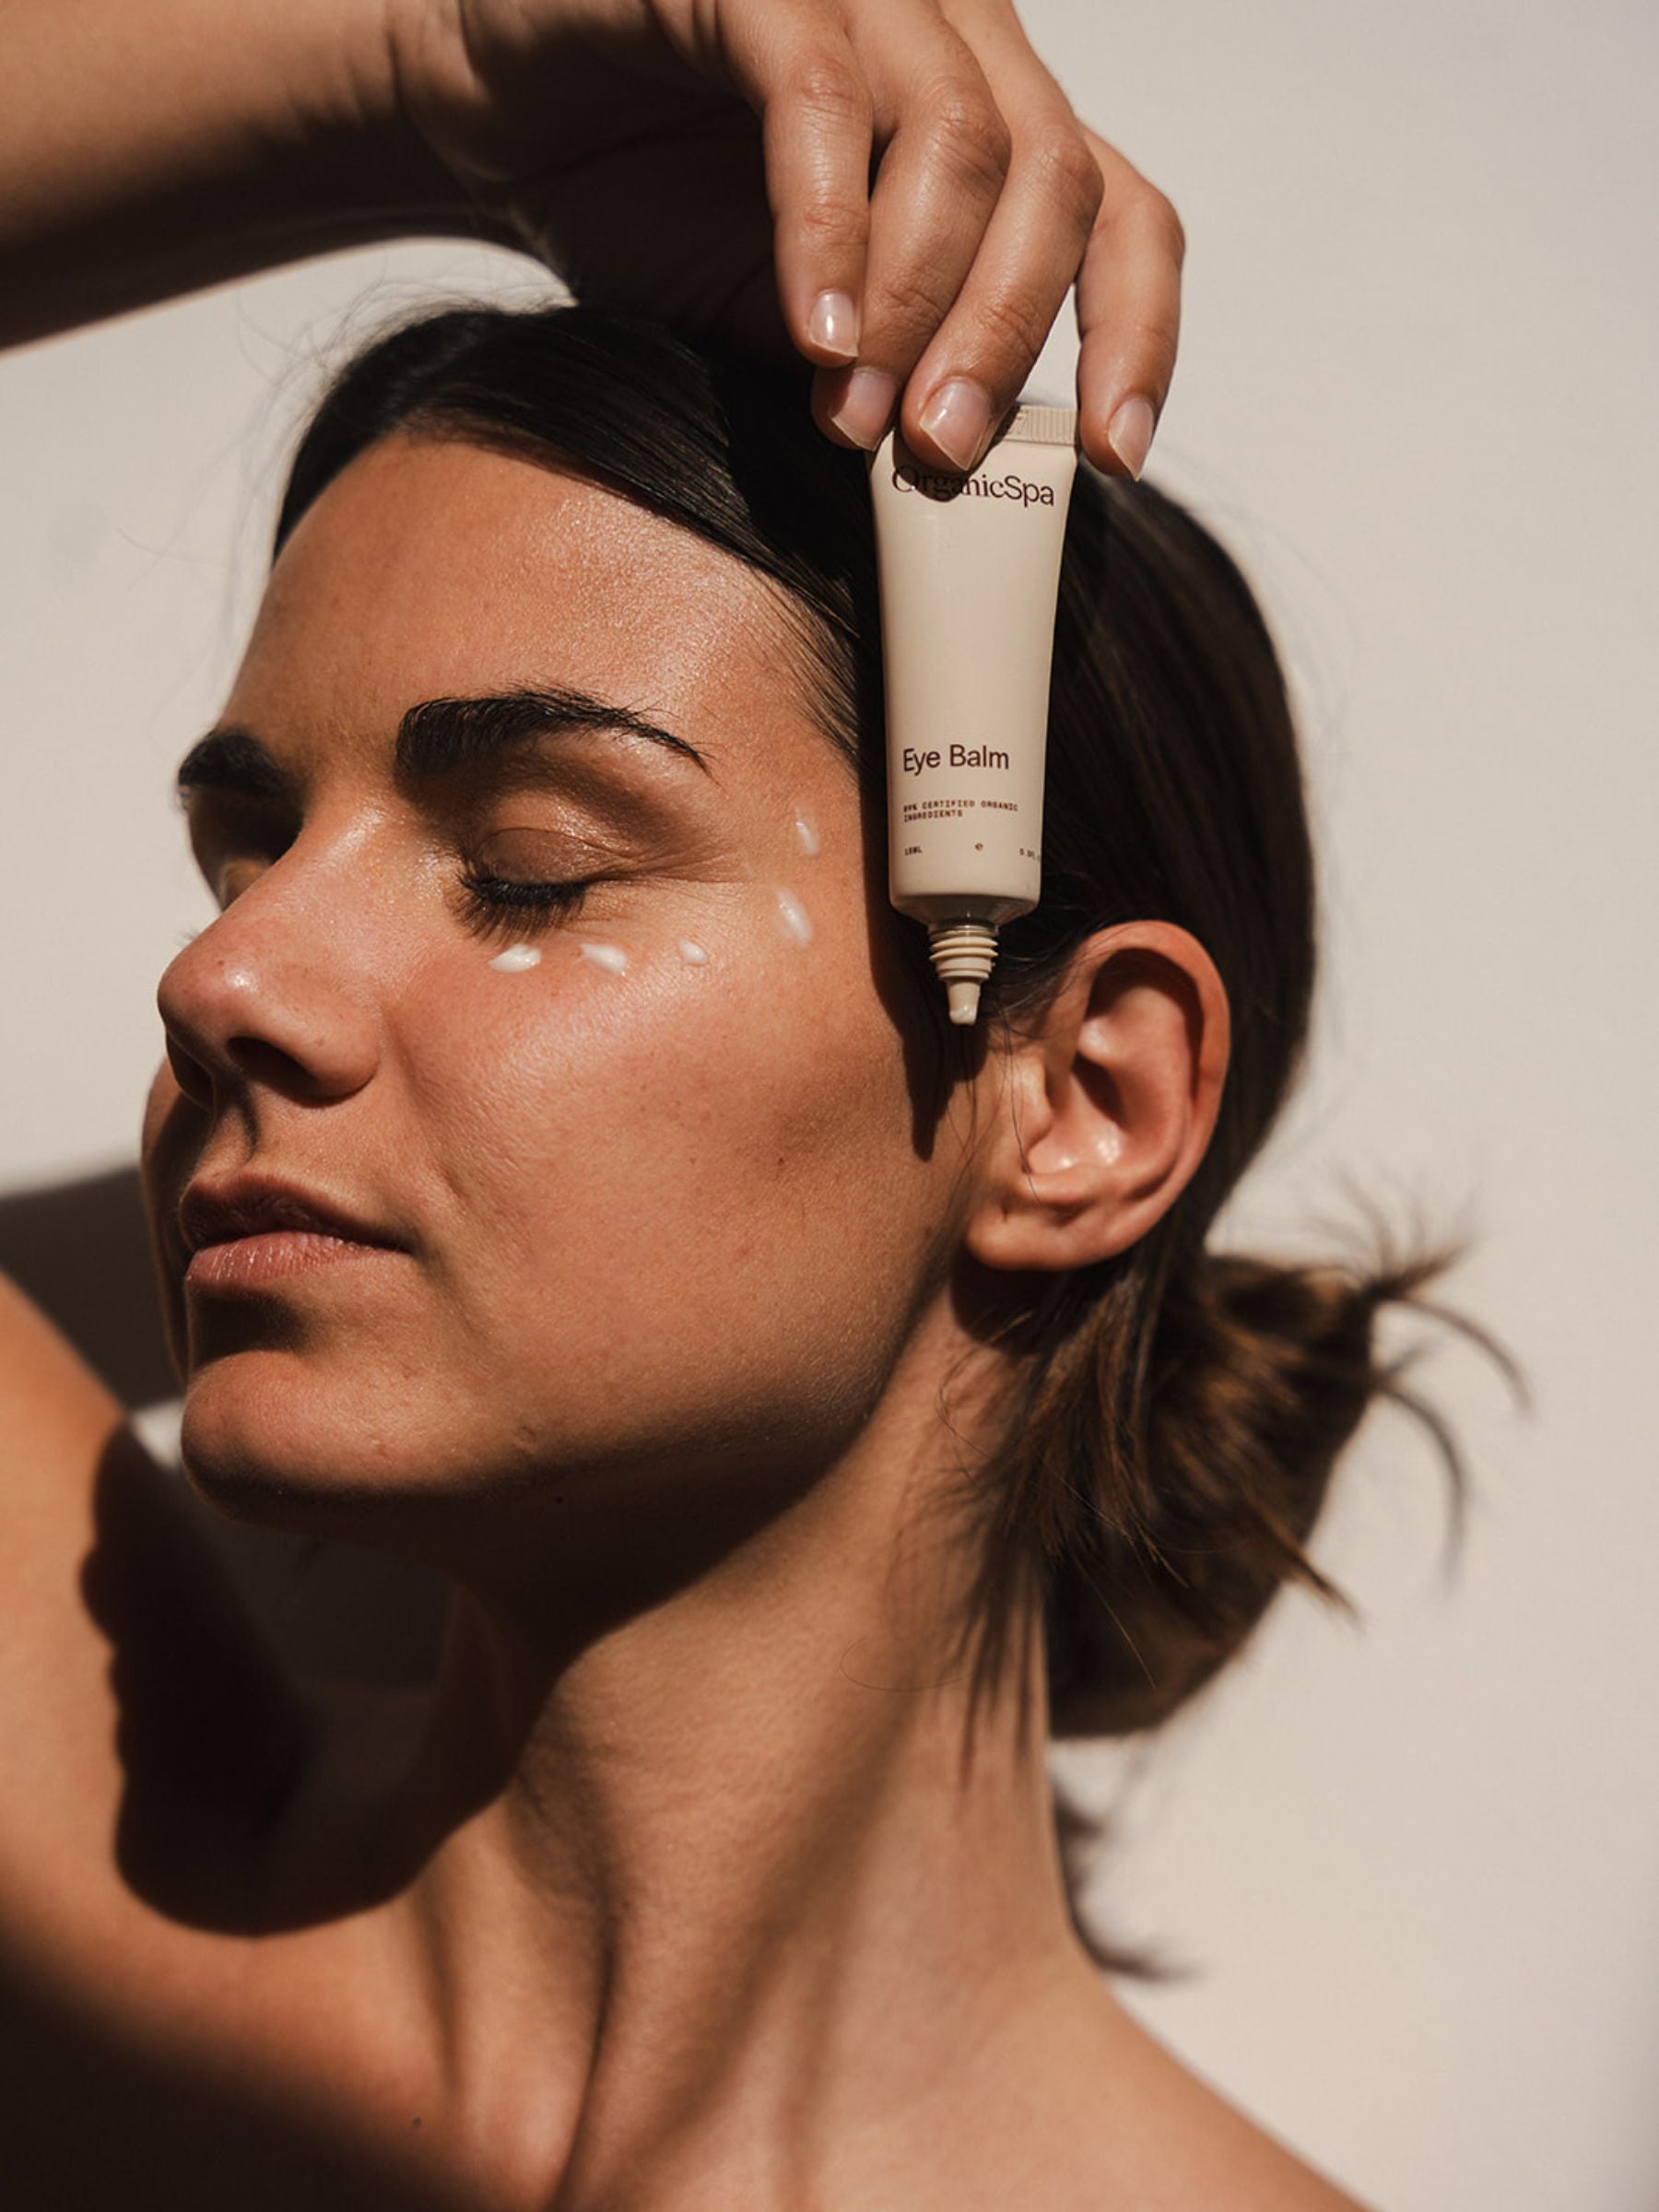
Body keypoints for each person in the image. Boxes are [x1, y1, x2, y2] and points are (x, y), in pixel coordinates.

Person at [0, 4, 1512, 2206]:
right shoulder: (84, 1904)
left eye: (526, 865)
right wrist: (421, 65)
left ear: (1079, 1100)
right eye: (248, 855)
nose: (220, 975)